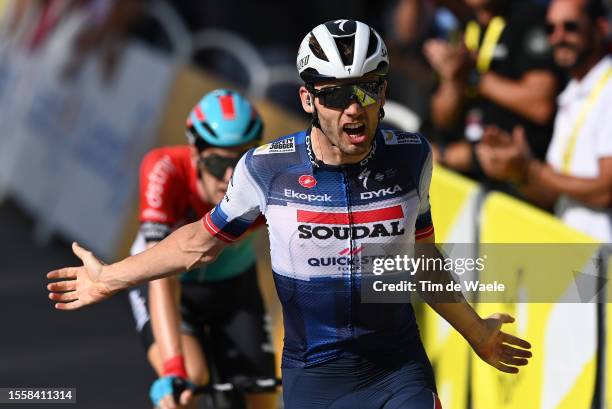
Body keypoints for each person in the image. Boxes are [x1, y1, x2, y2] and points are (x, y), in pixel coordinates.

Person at [48, 20, 532, 409]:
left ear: (385, 93)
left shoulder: (412, 157)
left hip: (398, 369)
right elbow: (195, 244)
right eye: (335, 94)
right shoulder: (267, 169)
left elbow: (423, 260)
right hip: (315, 378)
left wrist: (476, 333)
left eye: (367, 89)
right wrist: (109, 278)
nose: (353, 109)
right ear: (307, 99)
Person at [127, 89, 277, 409]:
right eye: (216, 161)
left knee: (261, 398)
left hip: (234, 286)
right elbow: (161, 277)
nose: (228, 176)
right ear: (195, 154)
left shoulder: (266, 179)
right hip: (169, 285)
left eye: (239, 162)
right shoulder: (163, 169)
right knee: (188, 383)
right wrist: (173, 369)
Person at [475, 0, 612, 242]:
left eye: (570, 27)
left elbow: (605, 191)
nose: (558, 37)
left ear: (601, 27)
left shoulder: (608, 89)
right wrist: (518, 171)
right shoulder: (573, 93)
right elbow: (553, 194)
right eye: (550, 29)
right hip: (575, 256)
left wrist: (532, 169)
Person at [423, 0, 559, 190]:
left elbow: (540, 105)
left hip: (515, 184)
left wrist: (472, 77)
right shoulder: (465, 26)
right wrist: (452, 81)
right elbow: (441, 120)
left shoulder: (530, 17)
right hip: (461, 176)